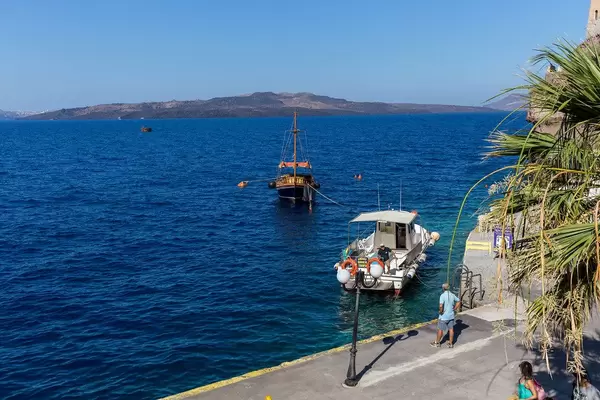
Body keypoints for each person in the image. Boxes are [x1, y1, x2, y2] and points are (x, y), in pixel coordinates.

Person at [431, 283, 460, 348]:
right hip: (451, 315)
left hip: (444, 317)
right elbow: (458, 301)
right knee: (451, 329)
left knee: (440, 330)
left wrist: (441, 311)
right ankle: (450, 343)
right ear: (449, 288)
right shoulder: (452, 295)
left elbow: (441, 306)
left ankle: (437, 343)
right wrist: (455, 308)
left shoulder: (442, 295)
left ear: (443, 288)